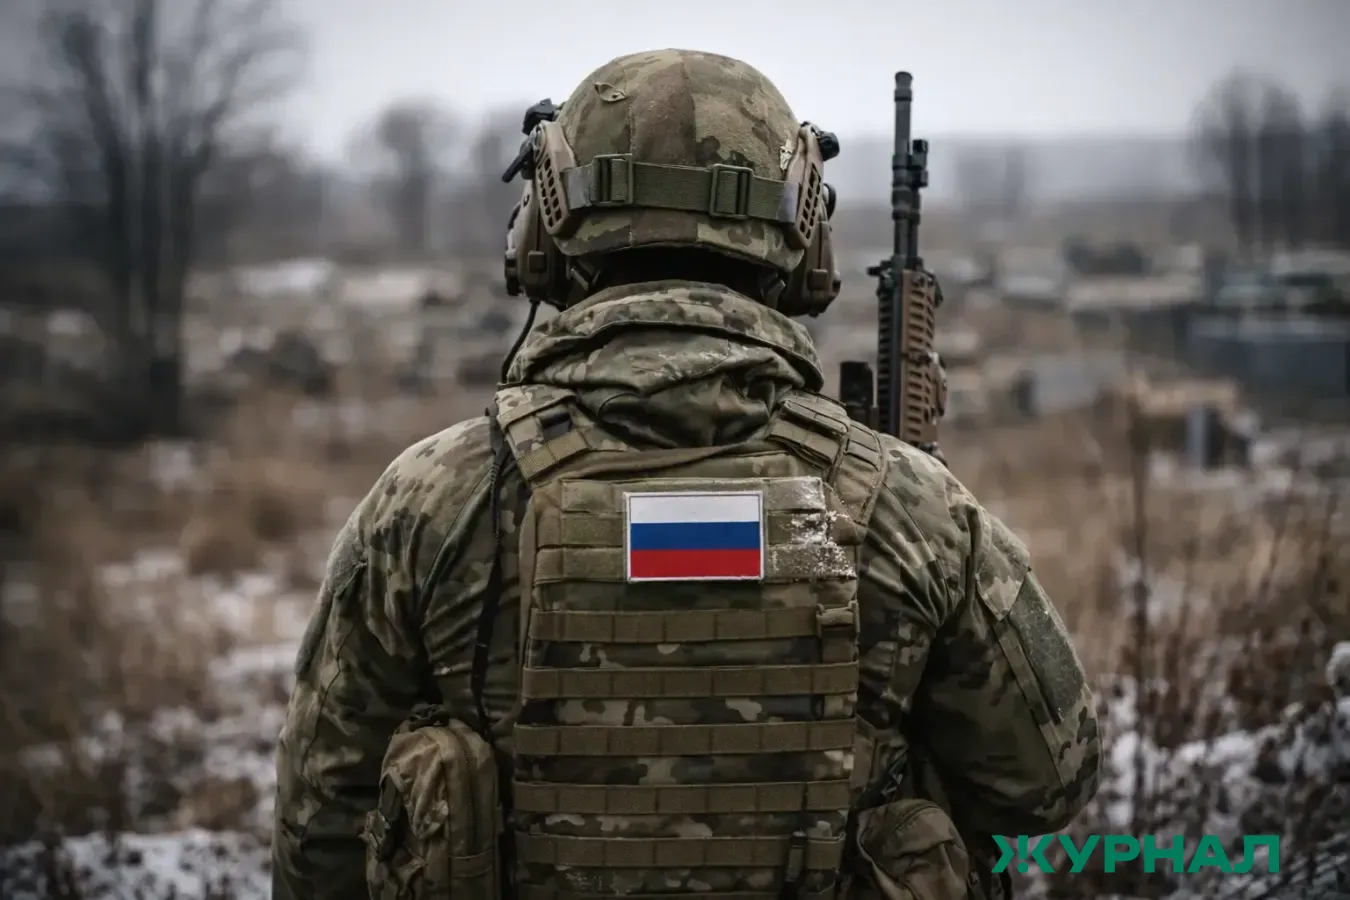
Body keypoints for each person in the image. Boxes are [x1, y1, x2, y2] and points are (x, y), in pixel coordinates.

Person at [272, 49, 1101, 900]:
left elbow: (320, 824)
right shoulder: (911, 507)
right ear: (803, 239)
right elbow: (1048, 784)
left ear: (544, 233)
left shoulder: (431, 499)